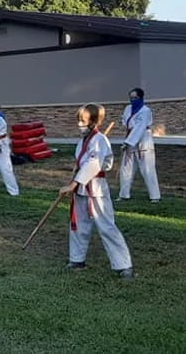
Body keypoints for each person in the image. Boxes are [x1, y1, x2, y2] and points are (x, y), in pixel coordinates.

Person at [58, 103, 134, 279]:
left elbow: (93, 164)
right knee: (78, 225)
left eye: (83, 120)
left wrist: (73, 184)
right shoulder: (83, 141)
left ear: (94, 121)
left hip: (96, 188)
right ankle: (77, 259)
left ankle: (123, 265)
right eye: (78, 120)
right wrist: (74, 182)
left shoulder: (100, 140)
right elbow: (82, 164)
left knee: (106, 226)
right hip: (81, 188)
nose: (79, 124)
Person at [117, 88, 161, 203]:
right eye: (131, 98)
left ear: (141, 98)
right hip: (130, 138)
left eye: (135, 98)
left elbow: (140, 128)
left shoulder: (145, 111)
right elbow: (125, 122)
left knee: (147, 169)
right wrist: (128, 141)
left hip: (143, 141)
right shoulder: (128, 108)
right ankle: (124, 194)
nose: (133, 100)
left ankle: (155, 196)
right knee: (126, 169)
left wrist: (128, 142)